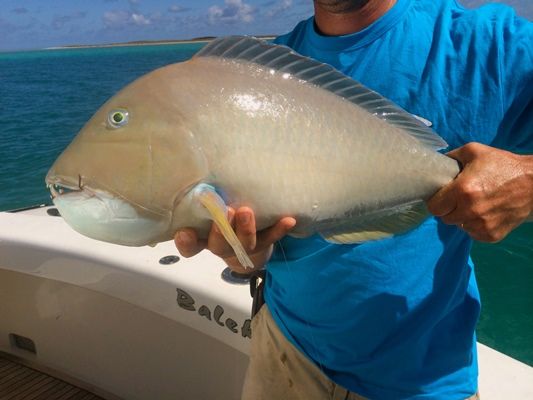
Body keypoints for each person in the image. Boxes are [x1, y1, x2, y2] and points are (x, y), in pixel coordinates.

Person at [175, 0, 533, 398]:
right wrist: (244, 253)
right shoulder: (261, 74)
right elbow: (266, 247)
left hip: (423, 383)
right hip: (285, 352)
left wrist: (529, 181)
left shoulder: (487, 47)